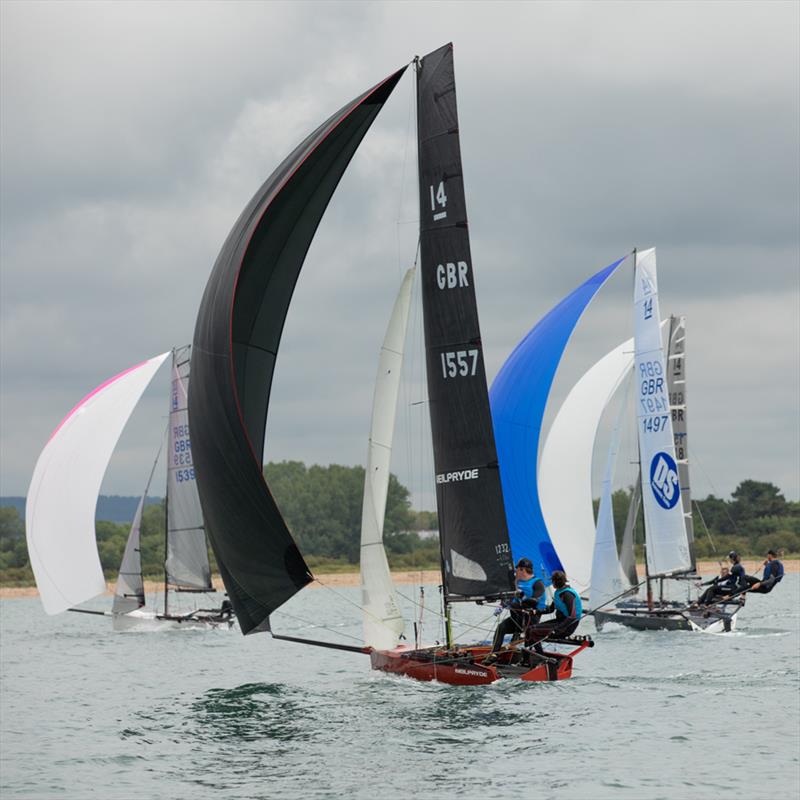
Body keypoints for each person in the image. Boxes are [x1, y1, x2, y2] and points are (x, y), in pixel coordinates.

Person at [486, 558, 545, 657]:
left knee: (529, 636)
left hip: (530, 618)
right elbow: (509, 597)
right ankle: (494, 655)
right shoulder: (517, 582)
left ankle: (533, 659)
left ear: (523, 570)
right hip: (517, 618)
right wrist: (502, 605)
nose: (515, 571)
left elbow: (534, 602)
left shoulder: (538, 583)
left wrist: (521, 597)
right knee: (501, 628)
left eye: (517, 569)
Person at [526, 570, 582, 644]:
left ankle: (536, 654)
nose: (552, 583)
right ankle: (530, 651)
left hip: (567, 627)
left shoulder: (567, 595)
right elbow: (551, 609)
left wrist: (558, 629)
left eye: (552, 581)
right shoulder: (559, 592)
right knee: (530, 629)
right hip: (560, 622)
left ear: (556, 582)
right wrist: (536, 611)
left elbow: (572, 617)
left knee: (533, 632)